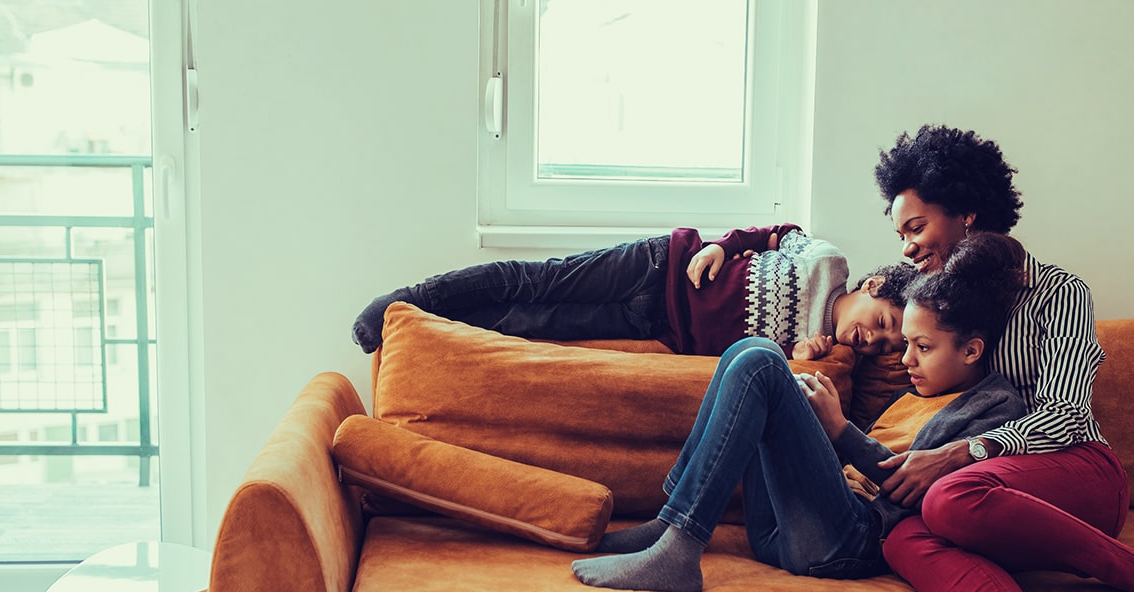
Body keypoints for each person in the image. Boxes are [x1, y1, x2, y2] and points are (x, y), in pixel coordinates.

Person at [872, 123, 1134, 592]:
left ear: (967, 213)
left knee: (949, 497)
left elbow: (1068, 413)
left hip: (1080, 473)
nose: (906, 247)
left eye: (915, 228)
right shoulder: (949, 305)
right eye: (900, 234)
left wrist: (960, 454)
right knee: (903, 536)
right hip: (997, 500)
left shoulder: (1059, 292)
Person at [571, 232, 1027, 592]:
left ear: (972, 350)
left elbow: (924, 496)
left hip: (849, 540)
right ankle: (672, 520)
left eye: (922, 347)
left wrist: (839, 430)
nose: (905, 359)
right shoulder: (915, 389)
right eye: (905, 342)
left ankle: (679, 549)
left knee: (763, 364)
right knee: (752, 349)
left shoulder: (995, 407)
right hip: (787, 528)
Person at [352, 224, 916, 360]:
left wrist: (807, 357)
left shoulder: (820, 350)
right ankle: (409, 300)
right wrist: (721, 245)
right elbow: (774, 232)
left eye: (889, 346)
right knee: (538, 280)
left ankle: (422, 331)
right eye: (886, 323)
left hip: (655, 325)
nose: (877, 339)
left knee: (532, 324)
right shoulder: (828, 264)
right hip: (659, 267)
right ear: (872, 286)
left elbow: (765, 370)